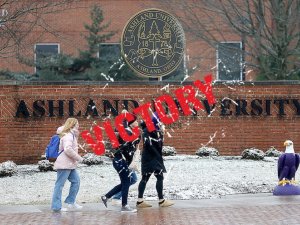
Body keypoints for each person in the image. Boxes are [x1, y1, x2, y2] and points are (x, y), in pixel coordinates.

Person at [101, 115, 140, 213]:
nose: (137, 123)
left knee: (126, 182)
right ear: (131, 123)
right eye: (136, 121)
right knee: (126, 182)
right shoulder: (127, 132)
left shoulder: (127, 131)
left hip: (120, 161)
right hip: (121, 161)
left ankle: (107, 196)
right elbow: (126, 149)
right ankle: (124, 205)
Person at [136, 113, 174, 208]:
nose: (161, 123)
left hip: (153, 157)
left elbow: (157, 144)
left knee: (157, 177)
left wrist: (160, 133)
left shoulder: (153, 130)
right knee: (147, 178)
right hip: (150, 158)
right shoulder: (147, 130)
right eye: (160, 121)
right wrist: (158, 136)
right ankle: (144, 201)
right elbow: (150, 144)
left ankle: (144, 201)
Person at [51, 118, 83, 212]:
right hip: (64, 164)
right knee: (59, 185)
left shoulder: (71, 134)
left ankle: (71, 201)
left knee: (76, 181)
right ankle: (56, 207)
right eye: (77, 123)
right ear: (73, 124)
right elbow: (68, 149)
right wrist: (79, 158)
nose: (78, 125)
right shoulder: (68, 135)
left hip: (70, 164)